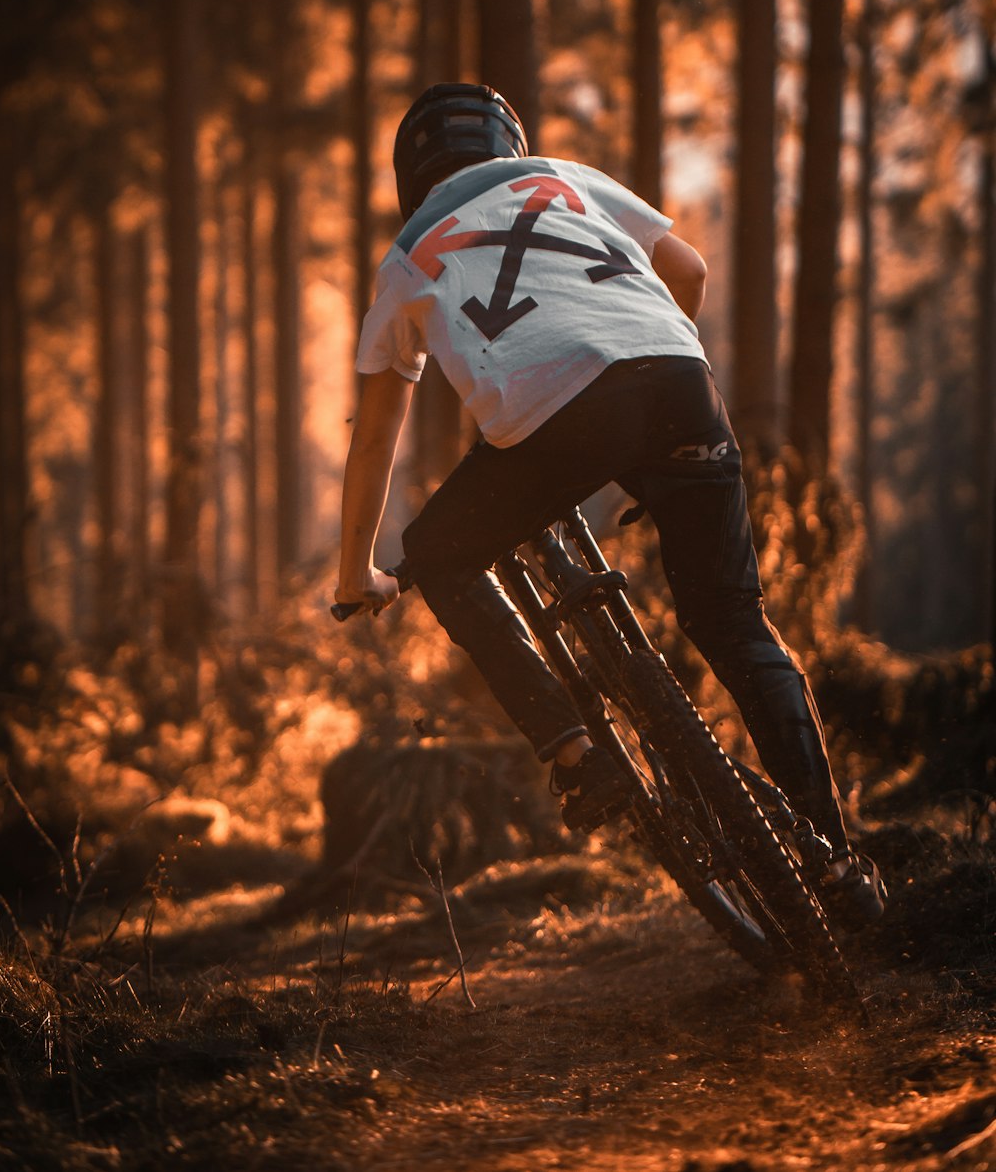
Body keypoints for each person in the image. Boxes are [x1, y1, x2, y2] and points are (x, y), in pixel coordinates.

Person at [336, 82, 885, 929]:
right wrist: (650, 399)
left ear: (415, 174)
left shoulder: (410, 251)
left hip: (551, 417)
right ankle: (840, 863)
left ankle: (574, 750)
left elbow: (373, 441)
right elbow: (689, 271)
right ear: (509, 140)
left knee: (441, 549)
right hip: (678, 376)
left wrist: (356, 575)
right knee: (738, 627)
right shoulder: (565, 176)